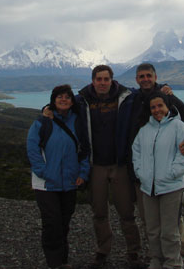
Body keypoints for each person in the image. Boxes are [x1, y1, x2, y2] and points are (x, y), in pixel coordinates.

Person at [128, 63, 184, 256]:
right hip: (144, 170)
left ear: (155, 77)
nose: (145, 79)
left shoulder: (168, 97)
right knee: (150, 219)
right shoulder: (132, 99)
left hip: (165, 172)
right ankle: (161, 256)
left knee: (171, 218)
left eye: (148, 76)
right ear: (136, 79)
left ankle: (179, 253)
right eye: (141, 76)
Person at [76, 65, 143, 268]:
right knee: (99, 212)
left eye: (106, 79)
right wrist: (48, 109)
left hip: (119, 164)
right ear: (93, 81)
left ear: (112, 80)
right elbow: (59, 102)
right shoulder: (82, 100)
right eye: (99, 79)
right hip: (96, 165)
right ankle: (103, 251)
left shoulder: (126, 97)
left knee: (126, 212)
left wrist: (164, 87)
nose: (102, 83)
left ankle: (134, 253)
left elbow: (149, 92)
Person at [26, 84, 90, 269]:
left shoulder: (77, 121)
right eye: (60, 97)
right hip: (46, 184)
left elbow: (84, 150)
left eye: (67, 97)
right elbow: (32, 148)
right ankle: (53, 262)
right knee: (52, 222)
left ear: (72, 101)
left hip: (69, 182)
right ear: (53, 100)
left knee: (64, 222)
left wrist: (83, 173)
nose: (64, 100)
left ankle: (62, 260)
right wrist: (43, 172)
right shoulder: (42, 122)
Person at [132, 91, 184, 269]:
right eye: (153, 107)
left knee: (170, 231)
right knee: (152, 230)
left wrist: (171, 173)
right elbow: (136, 152)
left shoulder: (179, 127)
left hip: (171, 187)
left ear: (168, 107)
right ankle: (156, 261)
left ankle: (173, 263)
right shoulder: (144, 130)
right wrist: (140, 172)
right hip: (148, 187)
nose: (157, 110)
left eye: (160, 106)